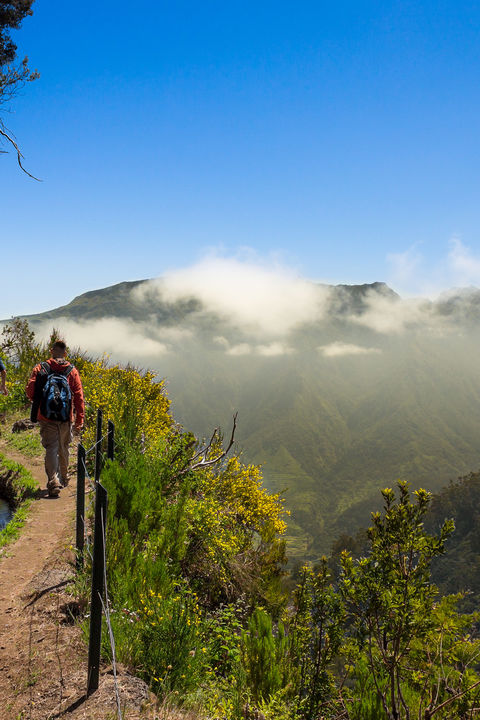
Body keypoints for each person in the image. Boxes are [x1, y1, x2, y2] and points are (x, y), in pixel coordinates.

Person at [26, 340, 85, 498]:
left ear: (52, 351)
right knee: (63, 447)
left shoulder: (41, 368)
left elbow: (30, 392)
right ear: (65, 353)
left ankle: (53, 481)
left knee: (51, 447)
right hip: (66, 418)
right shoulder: (72, 371)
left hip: (46, 416)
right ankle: (64, 478)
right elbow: (79, 397)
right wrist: (79, 419)